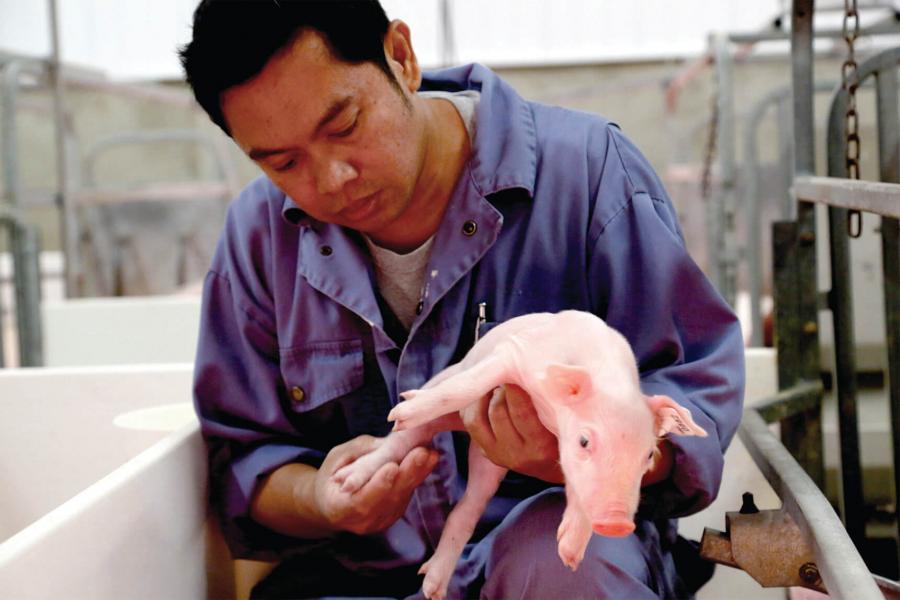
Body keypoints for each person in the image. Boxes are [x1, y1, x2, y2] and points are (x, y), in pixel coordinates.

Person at [180, 1, 744, 598]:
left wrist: (590, 454)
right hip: (357, 578)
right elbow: (242, 462)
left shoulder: (587, 174)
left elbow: (691, 393)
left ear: (401, 57)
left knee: (565, 565)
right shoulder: (260, 238)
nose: (331, 179)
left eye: (344, 126)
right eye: (284, 163)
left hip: (560, 558)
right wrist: (321, 499)